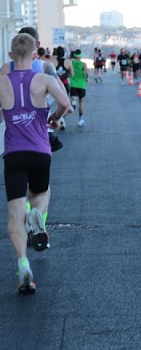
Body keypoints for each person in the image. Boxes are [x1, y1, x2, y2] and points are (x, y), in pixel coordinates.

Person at [1, 33, 72, 293]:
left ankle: (22, 264)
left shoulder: (2, 82)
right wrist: (53, 117)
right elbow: (65, 103)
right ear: (34, 55)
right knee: (41, 194)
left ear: (10, 57)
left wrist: (10, 116)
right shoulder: (43, 78)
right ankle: (37, 214)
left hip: (14, 155)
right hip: (40, 152)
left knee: (13, 216)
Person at [68, 49, 88, 127]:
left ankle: (63, 116)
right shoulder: (84, 64)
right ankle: (80, 119)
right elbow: (86, 74)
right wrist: (86, 77)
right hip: (82, 85)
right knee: (81, 101)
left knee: (73, 101)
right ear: (80, 56)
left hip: (73, 84)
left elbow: (69, 72)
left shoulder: (71, 63)